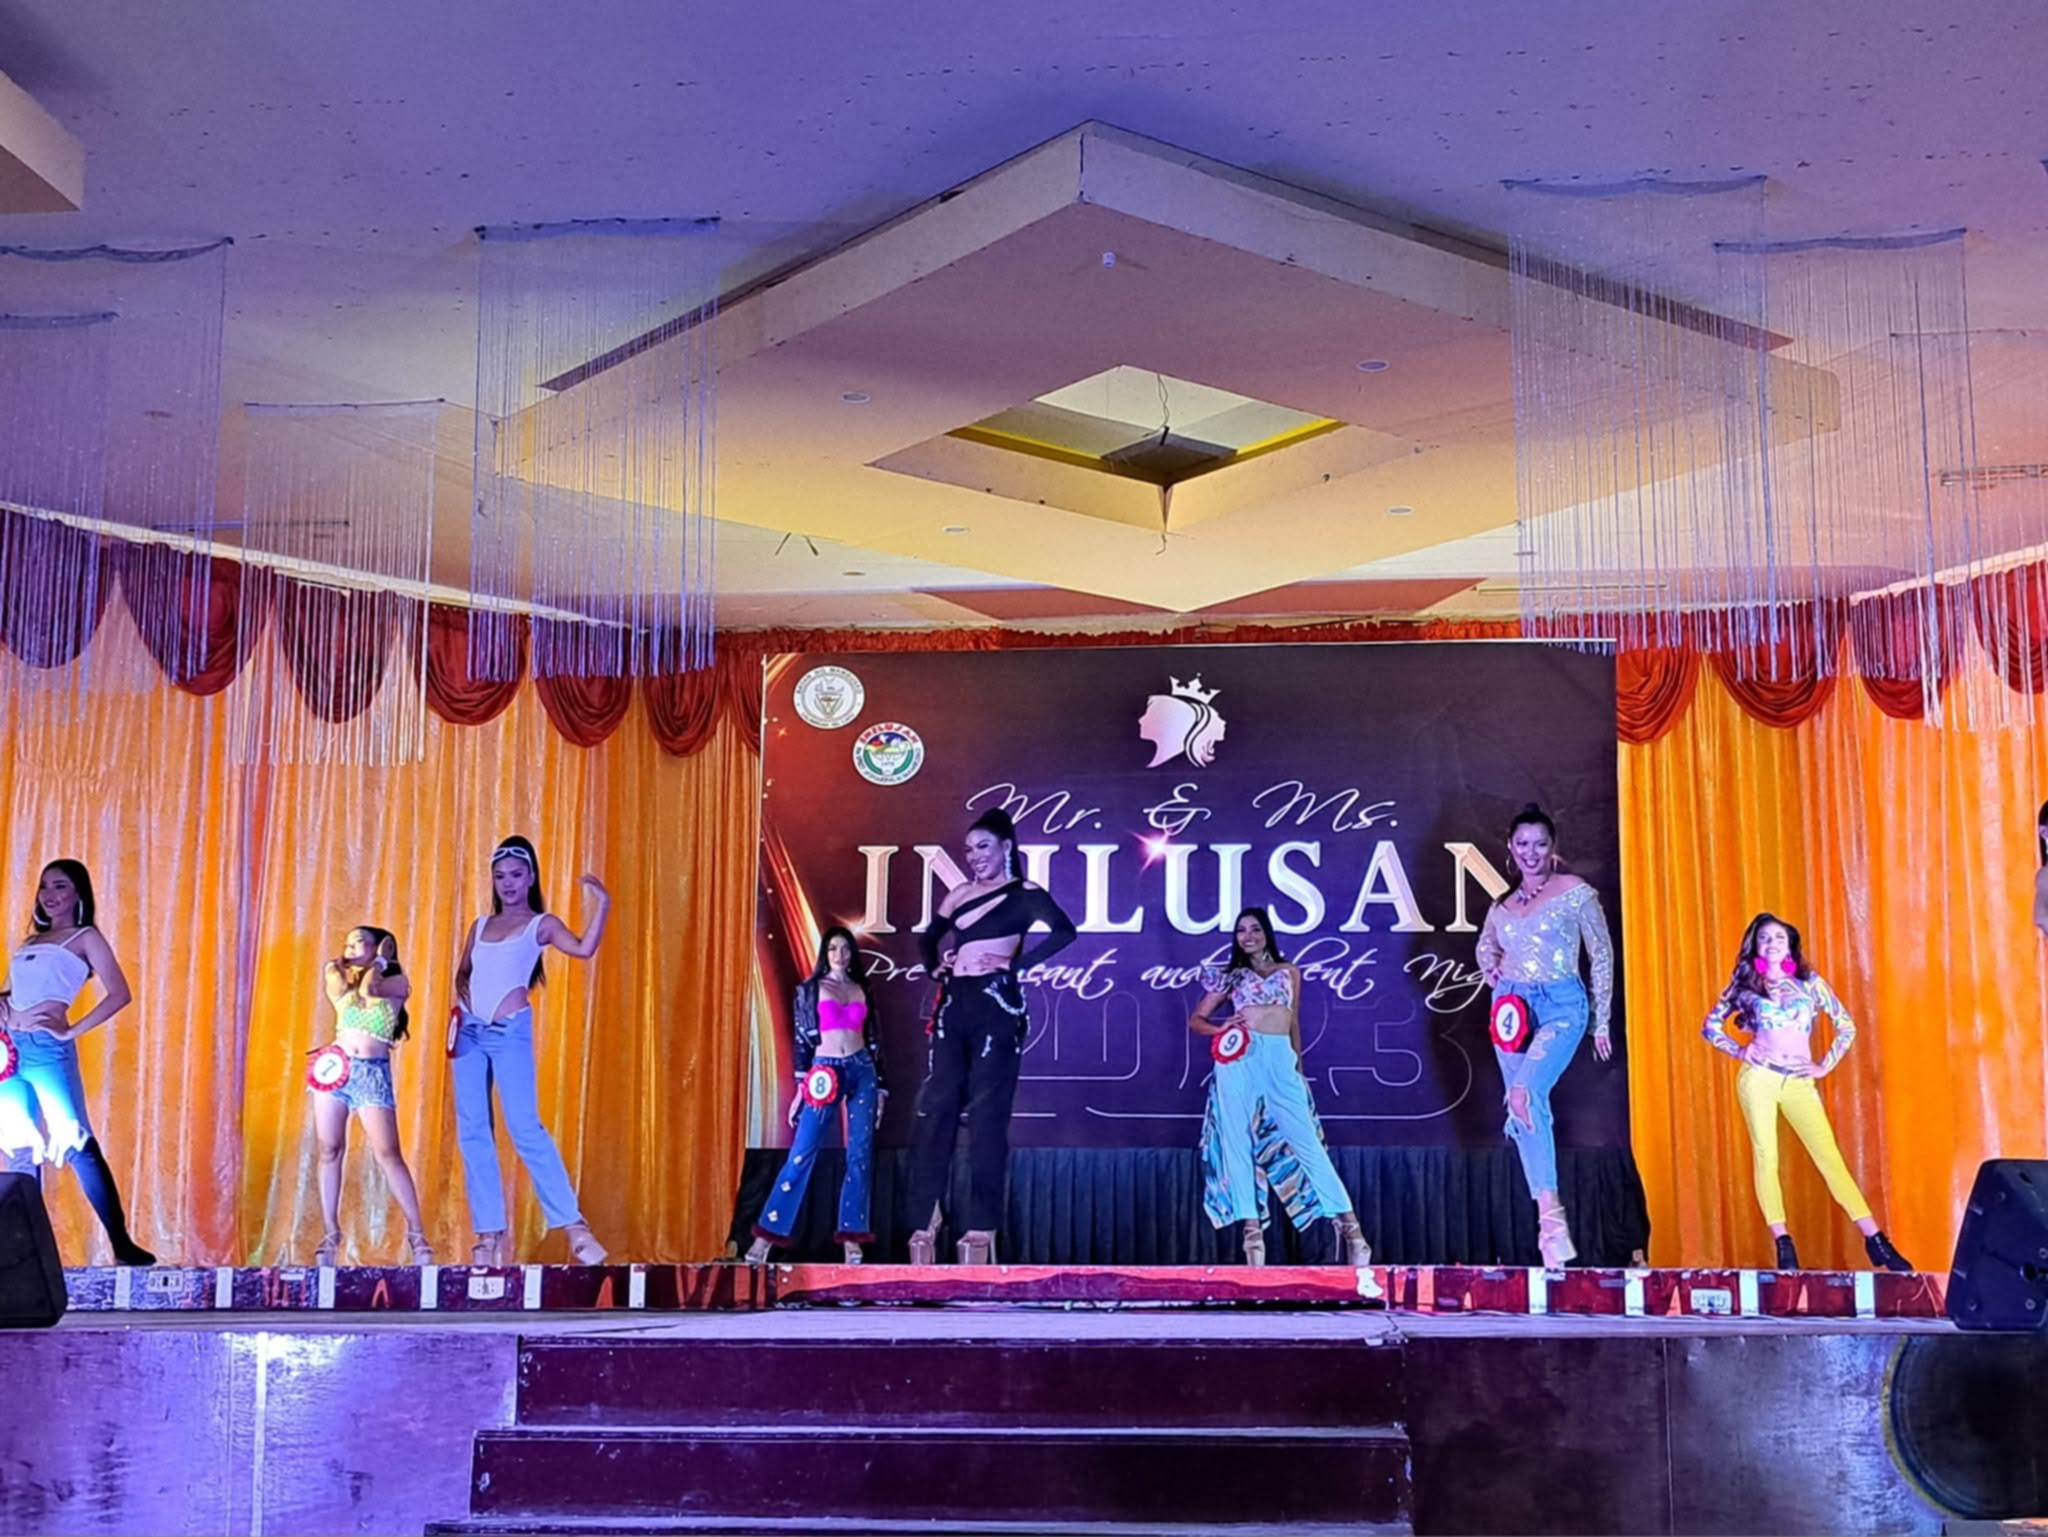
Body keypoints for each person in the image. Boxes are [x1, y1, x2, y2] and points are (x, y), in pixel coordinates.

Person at [908, 808, 1077, 1264]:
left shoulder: (1025, 894)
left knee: (987, 1115)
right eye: (968, 850)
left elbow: (1065, 931)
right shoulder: (959, 894)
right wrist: (935, 966)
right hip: (954, 1003)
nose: (974, 856)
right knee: (936, 1108)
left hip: (996, 1005)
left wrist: (1015, 965)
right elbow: (928, 939)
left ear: (1006, 847)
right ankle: (925, 1215)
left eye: (983, 846)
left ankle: (981, 1225)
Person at [1701, 912, 1912, 1272]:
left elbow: (1846, 1025)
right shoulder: (1745, 985)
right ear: (1755, 945)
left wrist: (1824, 1065)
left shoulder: (1809, 983)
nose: (1771, 943)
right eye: (1764, 938)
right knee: (1766, 1156)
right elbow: (1710, 1026)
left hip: (1799, 1081)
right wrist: (1739, 1050)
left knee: (1829, 1157)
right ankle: (1783, 1242)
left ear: (1790, 945)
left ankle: (1876, 1239)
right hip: (1760, 1078)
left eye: (1779, 937)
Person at [449, 836, 610, 1265]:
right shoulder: (480, 925)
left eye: (517, 875)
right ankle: (488, 1234)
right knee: (473, 1130)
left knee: (524, 1126)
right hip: (469, 1032)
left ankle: (574, 1225)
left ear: (531, 877)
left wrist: (603, 905)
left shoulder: (541, 924)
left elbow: (583, 949)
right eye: (500, 876)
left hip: (509, 1031)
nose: (508, 884)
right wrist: (462, 1007)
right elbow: (464, 970)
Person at [1475, 803, 1615, 1268]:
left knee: (1524, 1094)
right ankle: (1549, 1223)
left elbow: (1601, 953)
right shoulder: (1503, 904)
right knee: (1523, 1111)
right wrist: (1491, 967)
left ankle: (1552, 1221)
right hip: (1511, 1008)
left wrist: (1601, 1019)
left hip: (1561, 1005)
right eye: (1522, 844)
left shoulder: (1574, 892)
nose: (1530, 852)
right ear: (1510, 848)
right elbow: (1485, 945)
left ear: (1553, 847)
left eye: (1539, 844)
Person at [1191, 906, 1372, 1267]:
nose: (1248, 936)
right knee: (1237, 1143)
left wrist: (1298, 1069)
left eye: (1255, 929)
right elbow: (1196, 1019)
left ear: (1266, 933)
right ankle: (1252, 1237)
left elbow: (1293, 1024)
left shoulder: (1289, 972)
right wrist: (1221, 1028)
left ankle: (1352, 1232)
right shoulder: (1231, 976)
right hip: (1239, 1059)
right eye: (1241, 931)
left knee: (1307, 1142)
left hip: (1279, 1060)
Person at [0, 860, 155, 1265]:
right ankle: (21, 1254)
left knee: (74, 1139)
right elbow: (14, 992)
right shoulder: (30, 942)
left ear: (77, 893)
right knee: (19, 1147)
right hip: (10, 1050)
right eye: (44, 887)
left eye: (60, 886)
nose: (50, 895)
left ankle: (120, 1242)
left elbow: (120, 993)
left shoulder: (85, 937)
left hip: (46, 1049)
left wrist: (70, 1031)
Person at [745, 926, 885, 1264]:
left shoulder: (861, 988)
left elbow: (874, 1038)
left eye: (845, 949)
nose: (840, 955)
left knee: (859, 1155)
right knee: (801, 1153)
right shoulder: (810, 990)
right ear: (825, 953)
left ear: (852, 954)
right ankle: (766, 1238)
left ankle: (852, 1239)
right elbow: (801, 1041)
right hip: (825, 1070)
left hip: (861, 1069)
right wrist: (800, 1085)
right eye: (833, 948)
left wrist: (881, 1086)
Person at [308, 926, 432, 1266]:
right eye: (346, 942)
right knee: (329, 1149)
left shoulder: (396, 982)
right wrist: (348, 963)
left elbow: (371, 989)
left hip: (371, 1072)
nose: (349, 947)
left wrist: (380, 961)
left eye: (358, 941)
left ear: (382, 947)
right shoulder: (338, 979)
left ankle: (417, 1234)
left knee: (388, 1153)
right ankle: (330, 1233)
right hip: (335, 1068)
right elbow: (335, 978)